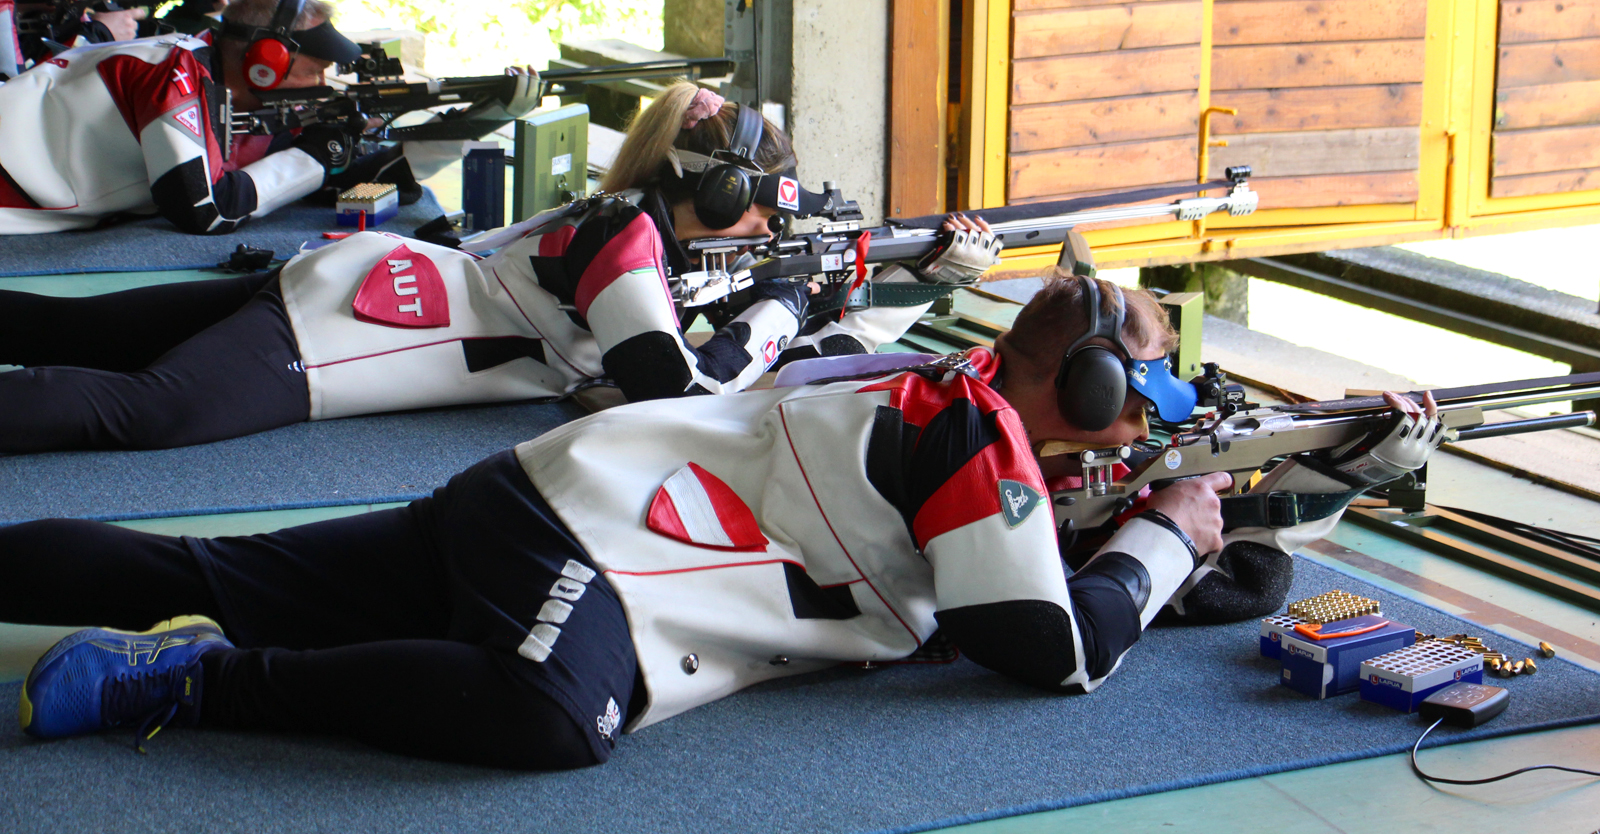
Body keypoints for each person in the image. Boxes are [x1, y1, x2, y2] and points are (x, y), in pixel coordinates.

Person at [4, 274, 1446, 769]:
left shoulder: (945, 387)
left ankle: (189, 628)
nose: (1158, 427)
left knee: (224, 567)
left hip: (551, 490)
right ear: (1082, 387)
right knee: (550, 718)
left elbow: (1043, 531)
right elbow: (1043, 647)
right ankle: (197, 680)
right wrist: (1173, 536)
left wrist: (1315, 475)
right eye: (1149, 400)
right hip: (607, 552)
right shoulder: (981, 441)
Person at [0, 82, 1001, 452]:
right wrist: (787, 301)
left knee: (75, 330)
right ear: (728, 197)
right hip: (356, 329)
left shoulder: (634, 218)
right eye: (759, 217)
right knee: (148, 411)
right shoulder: (629, 242)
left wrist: (885, 282)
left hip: (363, 288)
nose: (758, 245)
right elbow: (663, 389)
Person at [0, 0, 539, 234]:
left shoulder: (245, 98)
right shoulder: (175, 76)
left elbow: (345, 185)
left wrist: (478, 121)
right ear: (265, 61)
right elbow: (205, 210)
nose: (326, 77)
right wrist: (317, 152)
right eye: (315, 65)